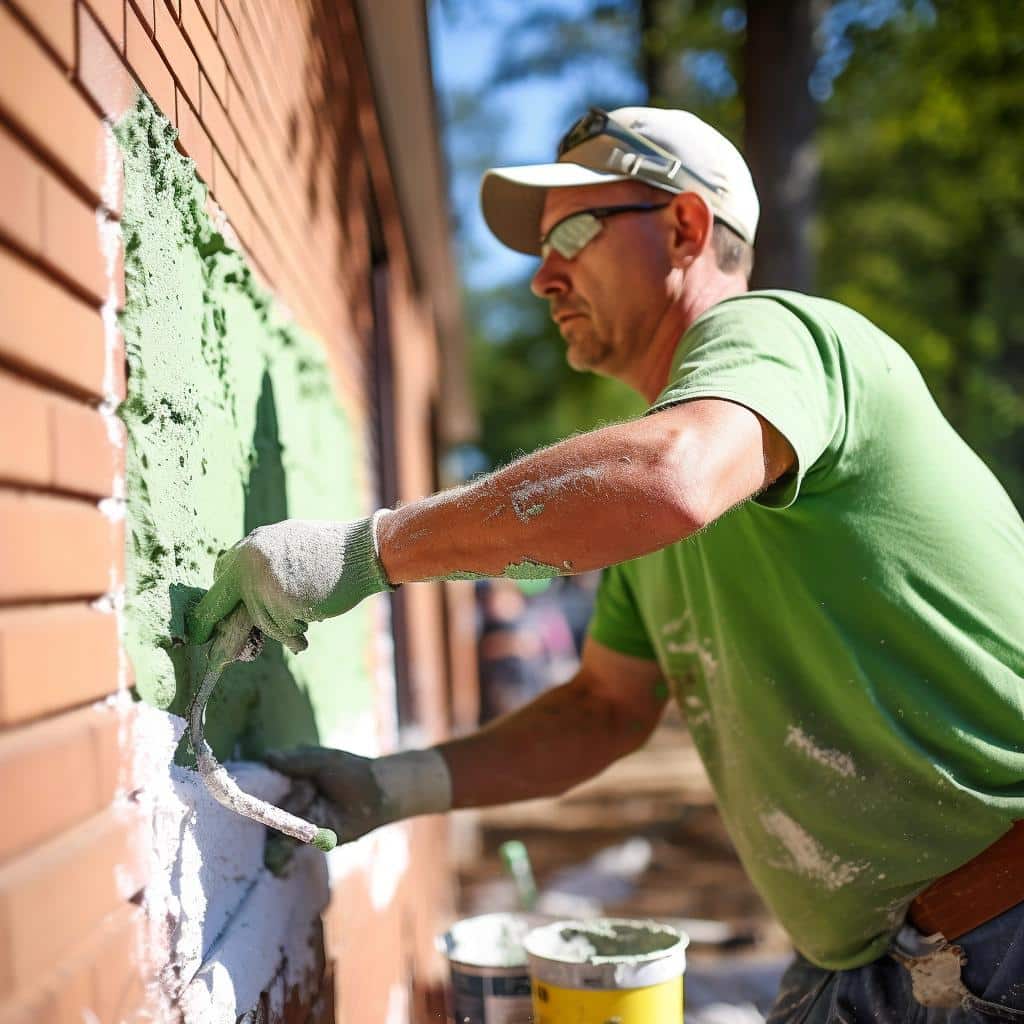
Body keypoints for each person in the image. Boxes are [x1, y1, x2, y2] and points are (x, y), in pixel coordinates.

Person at [187, 107, 1024, 1020]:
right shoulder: (652, 528)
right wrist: (396, 786)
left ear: (686, 227)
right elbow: (601, 711)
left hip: (1001, 932)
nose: (545, 277)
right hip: (865, 968)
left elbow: (669, 476)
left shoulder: (782, 334)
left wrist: (367, 551)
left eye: (574, 235)